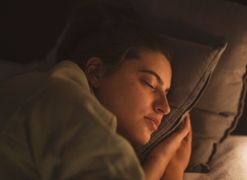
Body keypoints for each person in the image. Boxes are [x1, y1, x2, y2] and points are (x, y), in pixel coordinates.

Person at [0, 1, 191, 180]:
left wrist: (159, 159)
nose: (165, 108)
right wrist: (173, 171)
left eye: (166, 93)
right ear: (95, 73)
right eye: (150, 84)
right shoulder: (64, 102)